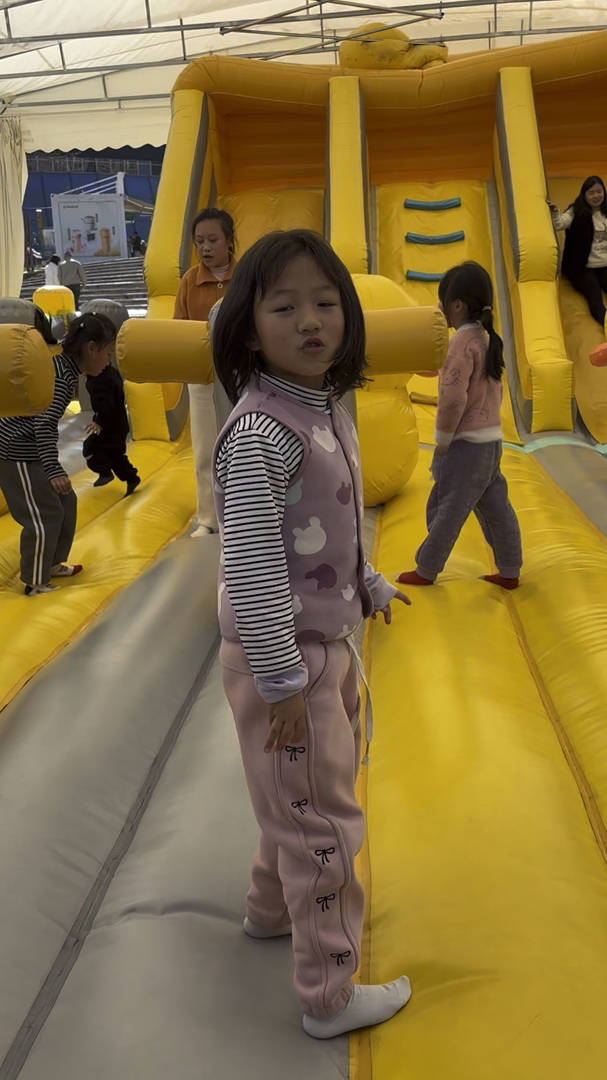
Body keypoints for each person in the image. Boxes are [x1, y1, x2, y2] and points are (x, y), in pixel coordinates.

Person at [212, 229, 412, 1040]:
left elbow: (327, 529)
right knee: (321, 822)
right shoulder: (261, 433)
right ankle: (328, 995)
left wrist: (367, 583)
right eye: (284, 307)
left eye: (325, 303)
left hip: (323, 650)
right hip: (287, 661)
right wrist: (282, 683)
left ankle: (268, 911)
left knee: (296, 801)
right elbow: (254, 568)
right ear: (247, 327)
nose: (309, 321)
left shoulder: (320, 407)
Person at [397, 261, 522, 590]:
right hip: (491, 442)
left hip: (466, 445)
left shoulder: (460, 344)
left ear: (456, 306)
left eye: (442, 303)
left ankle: (426, 568)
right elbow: (493, 392)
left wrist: (443, 439)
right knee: (496, 507)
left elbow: (453, 399)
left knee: (447, 506)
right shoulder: (487, 339)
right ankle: (510, 568)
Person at [0, 313, 116, 595]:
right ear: (91, 348)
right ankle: (34, 580)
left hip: (29, 448)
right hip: (16, 452)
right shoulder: (61, 378)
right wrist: (53, 470)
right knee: (45, 515)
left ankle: (51, 562)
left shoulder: (64, 368)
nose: (109, 360)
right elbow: (43, 424)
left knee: (66, 500)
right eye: (108, 352)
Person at [174, 208, 237, 537]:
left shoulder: (246, 276)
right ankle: (209, 519)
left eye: (213, 240)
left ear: (229, 241)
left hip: (241, 376)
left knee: (242, 447)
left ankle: (242, 515)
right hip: (202, 379)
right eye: (200, 241)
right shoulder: (190, 280)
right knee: (205, 449)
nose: (206, 247)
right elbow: (179, 327)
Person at [548, 175, 607, 327]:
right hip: (582, 268)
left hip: (604, 265)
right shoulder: (576, 211)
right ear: (584, 195)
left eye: (599, 192)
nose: (596, 196)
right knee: (595, 298)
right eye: (591, 193)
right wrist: (554, 212)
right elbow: (559, 224)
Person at [83, 360, 140, 495]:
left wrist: (99, 422)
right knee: (115, 454)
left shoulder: (102, 380)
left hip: (110, 425)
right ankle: (132, 478)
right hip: (117, 424)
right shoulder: (108, 373)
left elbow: (106, 403)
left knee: (90, 447)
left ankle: (105, 472)